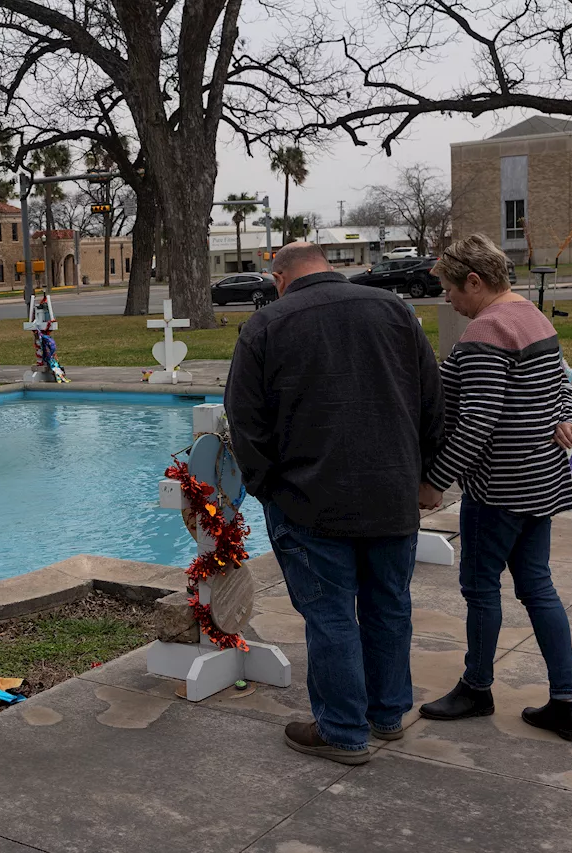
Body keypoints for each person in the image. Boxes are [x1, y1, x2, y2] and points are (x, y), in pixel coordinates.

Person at [226, 242, 444, 765]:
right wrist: (425, 476)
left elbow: (246, 422)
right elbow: (432, 399)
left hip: (309, 501)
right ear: (329, 266)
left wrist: (267, 489)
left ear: (278, 278)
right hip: (392, 493)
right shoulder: (396, 310)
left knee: (330, 615)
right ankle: (386, 713)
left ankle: (343, 730)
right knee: (388, 605)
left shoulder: (266, 326)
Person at [418, 234, 572, 741]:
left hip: (500, 491)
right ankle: (565, 702)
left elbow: (477, 423)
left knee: (480, 588)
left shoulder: (488, 331)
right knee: (538, 586)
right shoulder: (533, 317)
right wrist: (568, 419)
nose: (447, 298)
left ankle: (477, 688)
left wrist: (434, 481)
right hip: (541, 482)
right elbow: (564, 386)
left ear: (474, 281)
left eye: (450, 288)